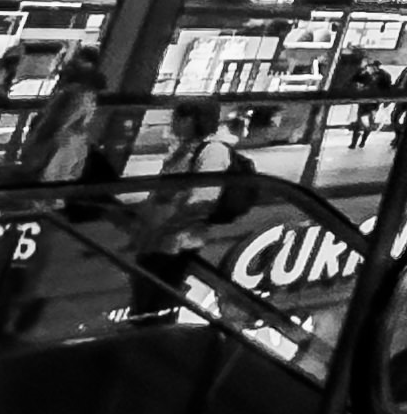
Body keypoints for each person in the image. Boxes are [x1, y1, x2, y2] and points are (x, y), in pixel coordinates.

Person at [122, 103, 243, 322]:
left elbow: (203, 199)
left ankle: (152, 333)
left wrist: (166, 229)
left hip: (175, 240)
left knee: (156, 299)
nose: (172, 123)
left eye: (177, 118)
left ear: (192, 120)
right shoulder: (186, 148)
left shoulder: (213, 151)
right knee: (144, 295)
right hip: (158, 237)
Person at [17, 51, 106, 188]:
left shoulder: (74, 93)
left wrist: (42, 136)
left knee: (49, 176)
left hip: (60, 140)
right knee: (60, 177)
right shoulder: (87, 94)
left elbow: (60, 119)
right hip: (70, 140)